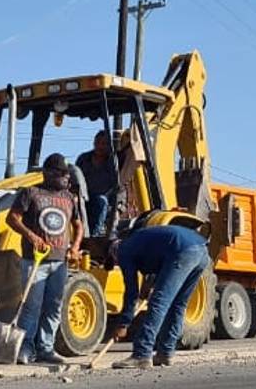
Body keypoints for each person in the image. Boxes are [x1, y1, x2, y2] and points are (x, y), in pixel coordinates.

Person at [5, 153, 83, 365]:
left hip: (59, 262)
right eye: (61, 173)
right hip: (34, 260)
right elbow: (12, 218)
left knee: (54, 306)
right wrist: (30, 235)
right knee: (31, 306)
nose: (66, 177)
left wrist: (75, 247)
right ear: (47, 173)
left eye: (67, 174)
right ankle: (26, 348)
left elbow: (78, 225)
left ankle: (46, 349)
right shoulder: (31, 193)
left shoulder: (69, 198)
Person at [110, 224, 211, 370]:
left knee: (159, 302)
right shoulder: (136, 241)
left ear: (113, 254)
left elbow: (131, 292)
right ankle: (165, 353)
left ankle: (142, 354)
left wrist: (123, 324)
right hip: (201, 251)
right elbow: (158, 260)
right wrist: (148, 285)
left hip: (182, 250)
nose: (117, 265)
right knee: (178, 304)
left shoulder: (123, 251)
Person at [75, 130, 122, 237]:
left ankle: (95, 236)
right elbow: (75, 178)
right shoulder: (83, 159)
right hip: (84, 198)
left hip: (105, 203)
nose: (100, 146)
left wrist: (119, 207)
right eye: (97, 143)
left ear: (109, 145)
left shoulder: (113, 163)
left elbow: (120, 186)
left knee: (101, 201)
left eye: (103, 143)